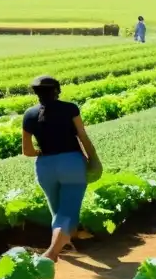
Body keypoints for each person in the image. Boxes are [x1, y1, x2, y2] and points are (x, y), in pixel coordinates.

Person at [22, 76, 102, 262]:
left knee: (57, 211)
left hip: (44, 167)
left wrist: (40, 151)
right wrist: (93, 159)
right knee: (67, 212)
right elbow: (83, 136)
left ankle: (68, 242)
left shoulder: (29, 114)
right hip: (71, 164)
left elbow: (27, 151)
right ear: (57, 90)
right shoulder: (70, 108)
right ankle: (51, 253)